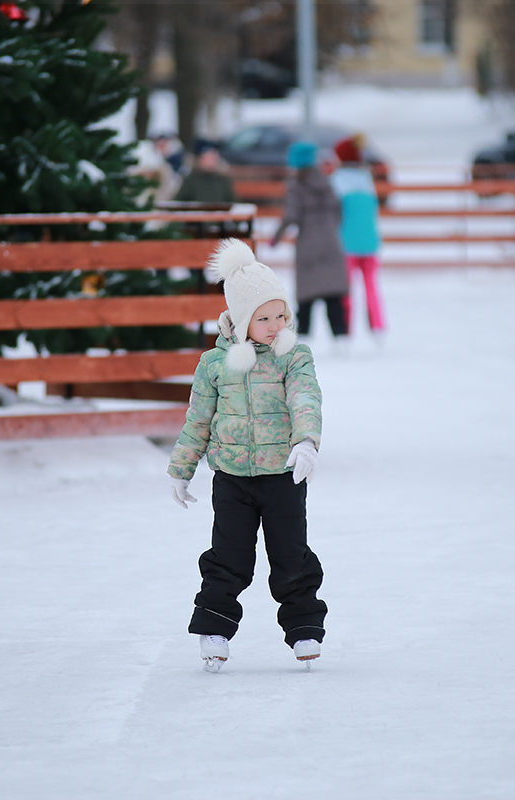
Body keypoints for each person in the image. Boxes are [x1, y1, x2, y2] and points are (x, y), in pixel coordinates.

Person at [167, 238, 327, 673]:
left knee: (291, 556)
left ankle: (305, 629)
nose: (276, 325)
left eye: (281, 315)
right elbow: (198, 420)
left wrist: (306, 442)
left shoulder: (292, 357)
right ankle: (214, 629)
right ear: (241, 320)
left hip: (283, 477)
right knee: (229, 557)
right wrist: (181, 469)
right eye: (264, 318)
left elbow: (305, 398)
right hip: (232, 480)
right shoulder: (214, 364)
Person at [270, 140, 349, 350]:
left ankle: (303, 339)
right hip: (331, 243)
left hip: (308, 246)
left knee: (307, 295)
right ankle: (340, 338)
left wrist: (276, 237)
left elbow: (291, 215)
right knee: (333, 295)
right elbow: (338, 209)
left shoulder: (297, 184)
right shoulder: (326, 181)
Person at [330, 134, 387, 343]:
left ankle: (345, 332)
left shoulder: (336, 180)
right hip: (370, 243)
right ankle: (378, 328)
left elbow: (333, 213)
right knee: (372, 287)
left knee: (346, 290)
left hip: (346, 245)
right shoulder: (366, 178)